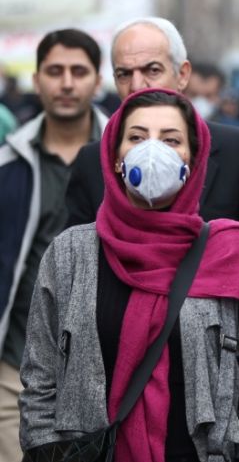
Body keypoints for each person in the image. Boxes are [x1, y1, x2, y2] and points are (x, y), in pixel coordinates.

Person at [19, 88, 239, 461]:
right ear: (116, 158)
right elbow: (40, 378)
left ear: (194, 159)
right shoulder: (70, 253)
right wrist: (47, 449)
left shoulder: (234, 253)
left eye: (171, 140)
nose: (153, 150)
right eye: (137, 138)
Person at [0, 28, 109, 461]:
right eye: (55, 71)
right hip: (15, 372)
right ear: (36, 79)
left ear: (97, 81)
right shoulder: (8, 165)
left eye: (79, 72)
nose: (66, 83)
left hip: (107, 375)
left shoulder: (127, 161)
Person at [65, 17, 239, 227]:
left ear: (183, 75)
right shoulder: (92, 161)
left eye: (153, 70)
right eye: (124, 74)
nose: (137, 85)